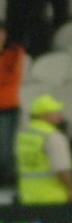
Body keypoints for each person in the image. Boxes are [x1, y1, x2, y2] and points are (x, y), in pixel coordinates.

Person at [15, 94, 72, 204]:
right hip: (52, 198)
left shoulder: (23, 136)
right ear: (43, 115)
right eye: (55, 112)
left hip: (28, 196)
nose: (60, 115)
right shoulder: (53, 136)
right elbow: (62, 169)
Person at [0, 22, 25, 185]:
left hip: (8, 107)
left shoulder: (14, 53)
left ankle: (5, 179)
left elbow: (9, 77)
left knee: (5, 149)